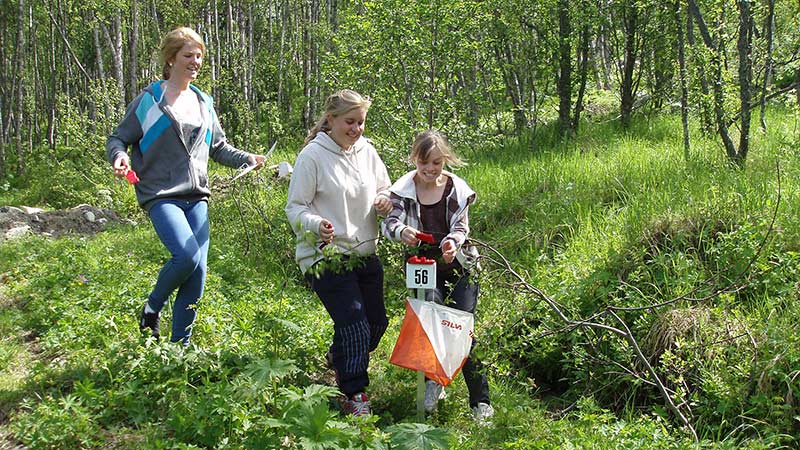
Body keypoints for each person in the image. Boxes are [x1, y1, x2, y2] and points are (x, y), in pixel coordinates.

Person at [106, 27, 266, 346]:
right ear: (171, 58)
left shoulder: (203, 102)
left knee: (198, 273)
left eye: (199, 56)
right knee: (186, 257)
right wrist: (120, 156)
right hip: (161, 195)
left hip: (198, 197)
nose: (195, 61)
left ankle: (182, 348)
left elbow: (218, 147)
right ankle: (152, 308)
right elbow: (119, 137)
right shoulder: (150, 100)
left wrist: (248, 158)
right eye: (188, 55)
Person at [285, 89, 392, 417]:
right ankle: (353, 393)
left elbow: (385, 187)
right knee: (355, 325)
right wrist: (316, 224)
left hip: (364, 251)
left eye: (361, 122)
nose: (356, 129)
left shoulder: (368, 151)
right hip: (324, 256)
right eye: (350, 122)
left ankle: (340, 354)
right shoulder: (312, 156)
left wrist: (386, 200)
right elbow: (295, 208)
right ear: (331, 120)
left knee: (376, 325)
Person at [382, 130, 494, 423]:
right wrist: (401, 232)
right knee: (431, 323)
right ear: (414, 160)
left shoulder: (456, 187)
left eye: (436, 163)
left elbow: (461, 226)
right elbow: (390, 222)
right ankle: (434, 382)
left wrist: (452, 241)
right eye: (424, 163)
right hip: (423, 266)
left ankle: (480, 402)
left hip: (459, 266)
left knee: (462, 328)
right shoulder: (403, 189)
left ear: (445, 160)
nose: (431, 170)